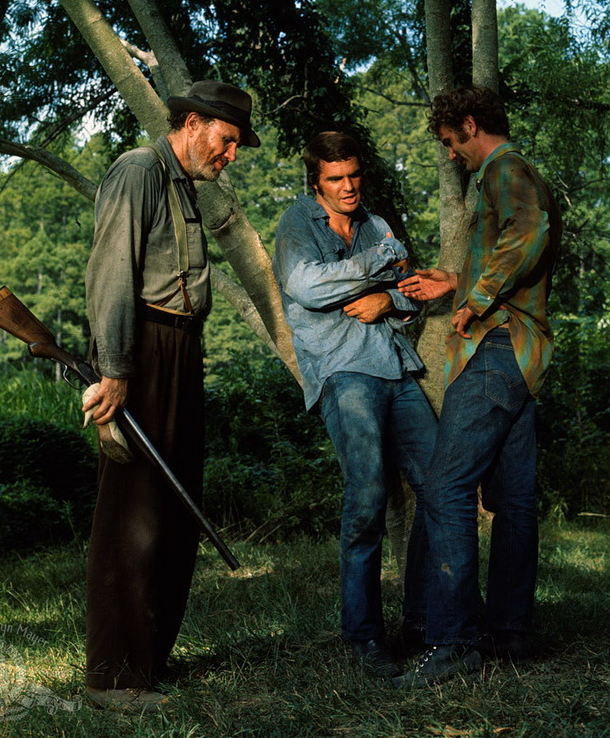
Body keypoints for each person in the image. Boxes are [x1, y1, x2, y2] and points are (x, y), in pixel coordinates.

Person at [82, 81, 260, 711]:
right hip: (143, 350)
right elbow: (111, 274)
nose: (230, 155)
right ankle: (113, 678)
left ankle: (148, 663)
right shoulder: (139, 170)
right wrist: (115, 370)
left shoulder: (184, 185)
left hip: (181, 349)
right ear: (192, 124)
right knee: (133, 513)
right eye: (227, 140)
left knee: (176, 509)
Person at [394, 86, 562, 687]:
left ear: (470, 125)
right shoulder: (516, 172)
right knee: (513, 498)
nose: (450, 154)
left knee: (445, 489)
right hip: (523, 353)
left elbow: (530, 229)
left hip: (495, 349)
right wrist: (456, 281)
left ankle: (451, 641)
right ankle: (509, 633)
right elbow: (519, 247)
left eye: (449, 141)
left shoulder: (504, 168)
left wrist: (477, 298)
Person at [272, 132, 438, 680]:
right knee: (367, 496)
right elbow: (308, 288)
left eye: (354, 175)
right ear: (316, 182)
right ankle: (364, 635)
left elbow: (412, 289)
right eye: (335, 179)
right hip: (344, 373)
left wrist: (387, 297)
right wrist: (381, 261)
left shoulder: (375, 221)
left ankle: (422, 620)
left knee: (440, 484)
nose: (348, 187)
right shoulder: (297, 224)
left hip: (397, 367)